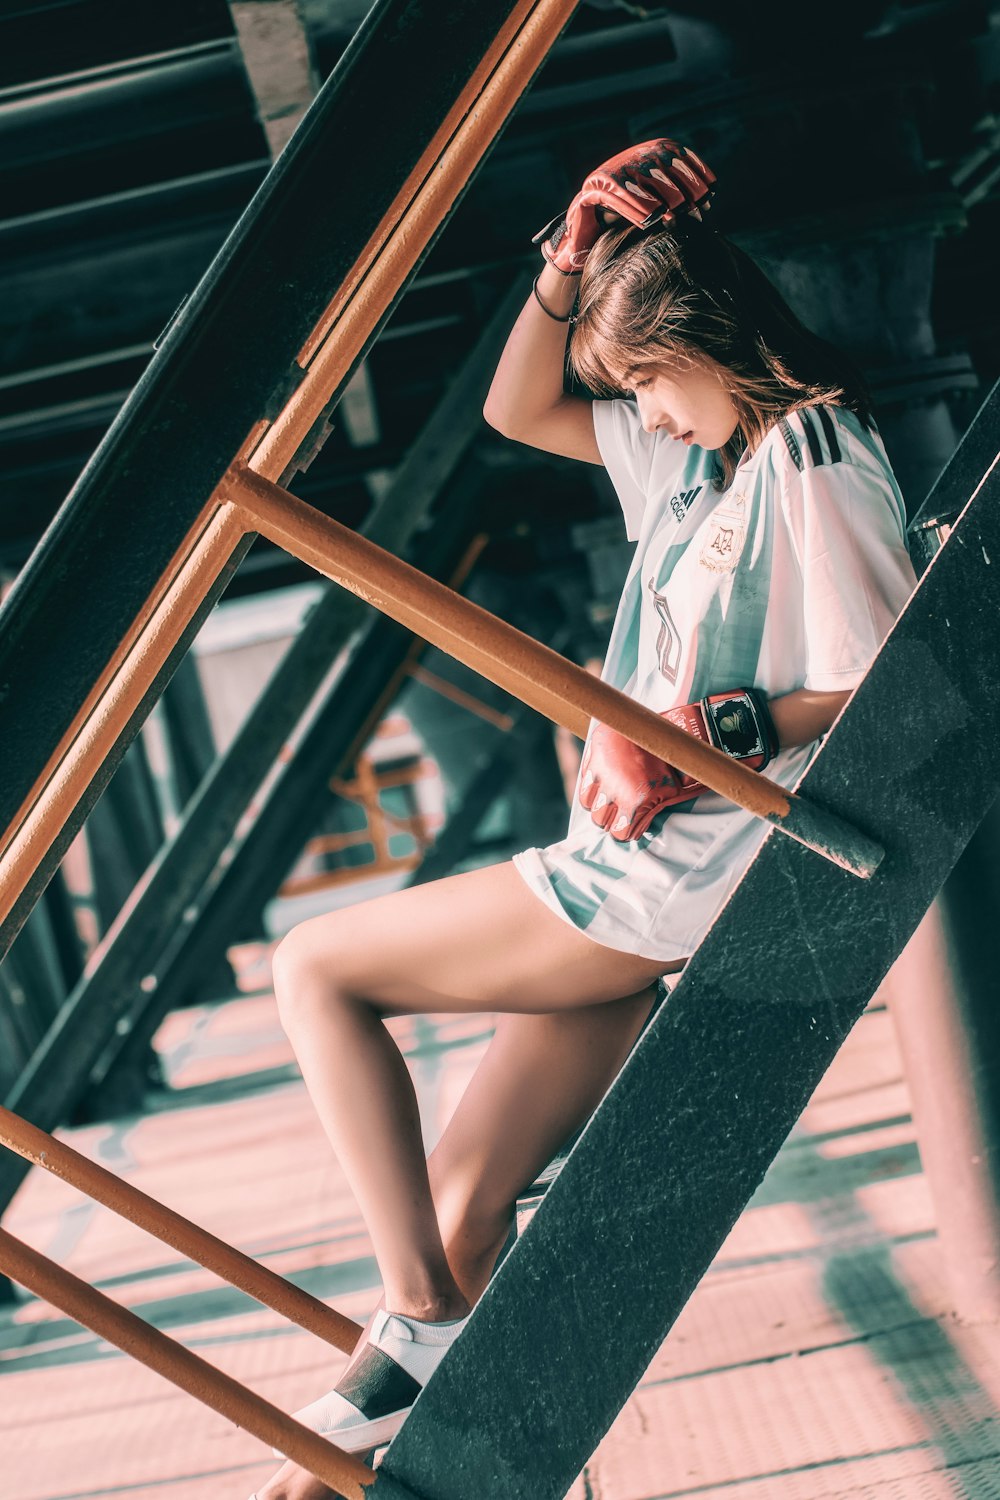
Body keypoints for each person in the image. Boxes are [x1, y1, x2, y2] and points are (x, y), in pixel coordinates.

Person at [248, 140, 917, 1500]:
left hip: (665, 877)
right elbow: (513, 409)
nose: (643, 416)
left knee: (315, 967)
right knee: (465, 1208)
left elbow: (888, 680)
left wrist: (709, 732)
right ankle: (446, 1403)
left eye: (648, 383)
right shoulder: (694, 463)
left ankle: (411, 1324)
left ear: (706, 340)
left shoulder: (814, 453)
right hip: (632, 865)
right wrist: (563, 262)